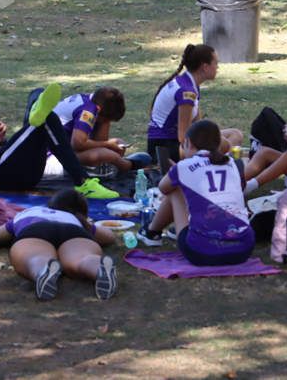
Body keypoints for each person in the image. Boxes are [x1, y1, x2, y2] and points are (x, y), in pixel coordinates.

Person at [0, 86, 117, 198]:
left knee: (38, 94)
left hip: (19, 170)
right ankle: (83, 182)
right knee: (46, 118)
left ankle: (36, 109)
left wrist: (0, 141)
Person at [155, 120, 254, 266]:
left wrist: (177, 171)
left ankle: (151, 232)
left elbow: (163, 188)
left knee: (175, 189)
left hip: (202, 251)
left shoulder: (184, 166)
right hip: (244, 248)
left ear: (188, 142)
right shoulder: (233, 163)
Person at [0, 189, 117, 300]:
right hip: (73, 231)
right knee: (82, 258)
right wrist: (87, 224)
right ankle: (97, 267)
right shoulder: (74, 218)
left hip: (36, 229)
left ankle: (42, 269)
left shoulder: (30, 211)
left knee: (34, 257)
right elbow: (109, 237)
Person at [147, 43, 243, 164]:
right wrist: (215, 144)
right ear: (205, 67)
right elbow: (183, 137)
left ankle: (214, 163)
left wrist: (213, 137)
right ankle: (215, 166)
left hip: (174, 142)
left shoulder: (190, 84)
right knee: (224, 144)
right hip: (165, 148)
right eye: (216, 63)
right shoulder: (187, 92)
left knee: (236, 135)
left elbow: (198, 124)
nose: (218, 67)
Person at [53, 87, 151, 175]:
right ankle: (127, 166)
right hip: (52, 159)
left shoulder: (92, 101)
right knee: (106, 154)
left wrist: (105, 124)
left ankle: (109, 166)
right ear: (99, 110)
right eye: (106, 120)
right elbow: (78, 144)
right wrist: (107, 144)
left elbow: (98, 140)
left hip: (62, 152)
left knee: (117, 144)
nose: (106, 122)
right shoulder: (87, 111)